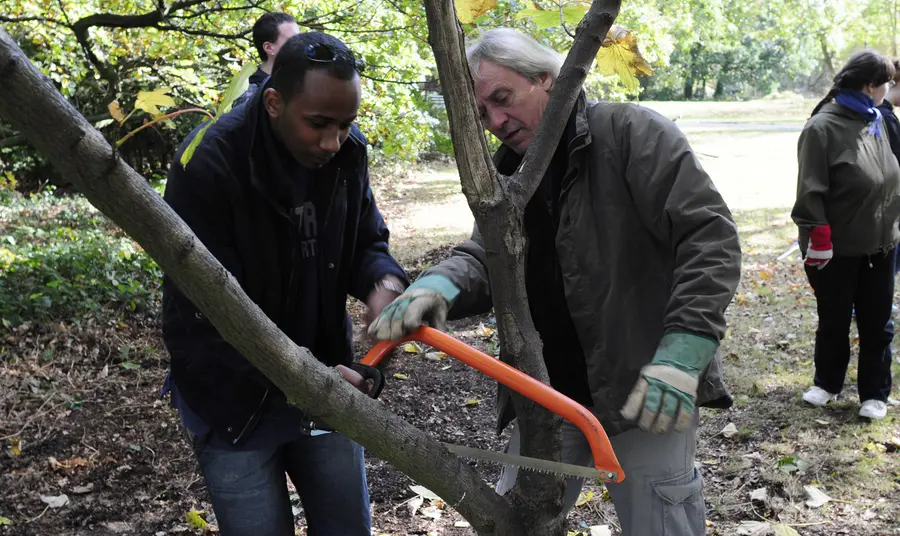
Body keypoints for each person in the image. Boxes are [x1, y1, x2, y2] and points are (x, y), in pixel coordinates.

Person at [368, 28, 741, 536]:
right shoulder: (505, 174)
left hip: (640, 389)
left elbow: (709, 239)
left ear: (546, 78)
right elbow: (487, 253)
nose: (496, 122)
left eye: (503, 99)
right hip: (543, 392)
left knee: (662, 522)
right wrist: (439, 284)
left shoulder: (632, 134)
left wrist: (684, 352)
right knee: (518, 524)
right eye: (483, 114)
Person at [160, 32, 408, 535]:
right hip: (232, 400)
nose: (331, 142)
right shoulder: (209, 163)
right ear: (274, 102)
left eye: (345, 125)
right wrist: (300, 381)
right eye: (318, 124)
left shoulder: (346, 154)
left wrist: (384, 282)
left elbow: (365, 241)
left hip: (328, 380)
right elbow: (203, 314)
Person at [793, 50, 900, 420]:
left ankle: (875, 394)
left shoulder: (878, 120)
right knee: (834, 319)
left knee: (877, 323)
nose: (890, 88)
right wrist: (820, 240)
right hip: (837, 249)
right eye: (887, 83)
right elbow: (810, 191)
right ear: (870, 86)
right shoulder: (822, 128)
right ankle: (827, 383)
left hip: (881, 244)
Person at [232, 11, 301, 108]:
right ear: (269, 48)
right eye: (292, 40)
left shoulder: (301, 81)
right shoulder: (250, 94)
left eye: (300, 38)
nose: (300, 44)